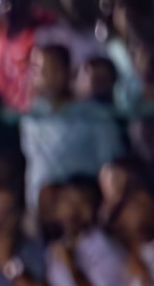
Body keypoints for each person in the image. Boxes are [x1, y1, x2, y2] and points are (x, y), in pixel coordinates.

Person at [19, 43, 124, 213]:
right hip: (42, 212)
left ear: (64, 72)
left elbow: (111, 165)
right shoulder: (30, 119)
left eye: (46, 69)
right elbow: (32, 168)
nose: (39, 75)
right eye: (36, 69)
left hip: (83, 206)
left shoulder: (95, 116)